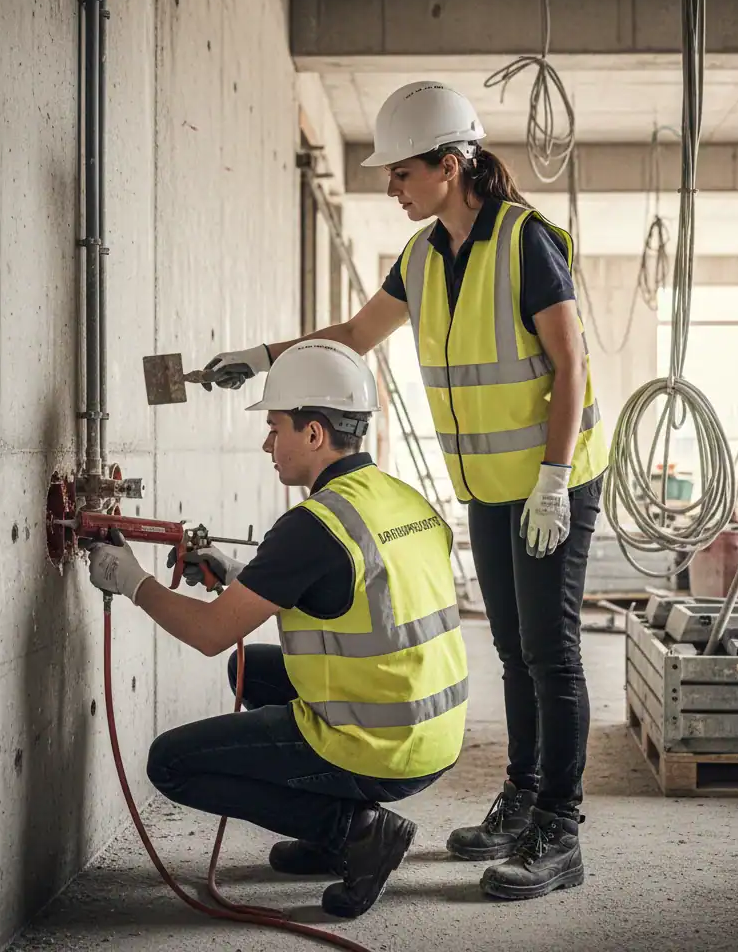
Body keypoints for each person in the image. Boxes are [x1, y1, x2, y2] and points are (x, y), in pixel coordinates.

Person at [204, 81, 609, 901]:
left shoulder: (527, 243)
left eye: (401, 173)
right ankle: (521, 800)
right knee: (510, 649)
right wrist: (262, 355)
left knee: (551, 651)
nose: (391, 186)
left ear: (450, 165)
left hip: (551, 481)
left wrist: (557, 479)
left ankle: (559, 832)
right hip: (491, 487)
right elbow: (354, 336)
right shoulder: (425, 257)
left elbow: (570, 365)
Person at [86, 339, 469, 919]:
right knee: (250, 670)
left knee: (171, 763)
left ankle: (353, 830)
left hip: (381, 748)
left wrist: (132, 580)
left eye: (275, 428)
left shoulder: (314, 525)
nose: (268, 443)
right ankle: (332, 828)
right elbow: (349, 591)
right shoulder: (397, 499)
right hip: (432, 730)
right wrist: (239, 575)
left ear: (314, 434)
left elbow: (212, 631)